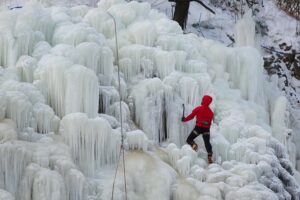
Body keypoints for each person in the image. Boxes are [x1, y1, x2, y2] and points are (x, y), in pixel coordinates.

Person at [181, 95, 214, 164]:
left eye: (202, 100)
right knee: (207, 143)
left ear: (203, 101)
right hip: (206, 130)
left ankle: (194, 145)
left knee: (189, 139)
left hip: (198, 128)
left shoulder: (198, 108)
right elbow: (210, 122)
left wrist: (184, 119)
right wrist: (207, 129)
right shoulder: (211, 112)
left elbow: (191, 116)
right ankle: (210, 156)